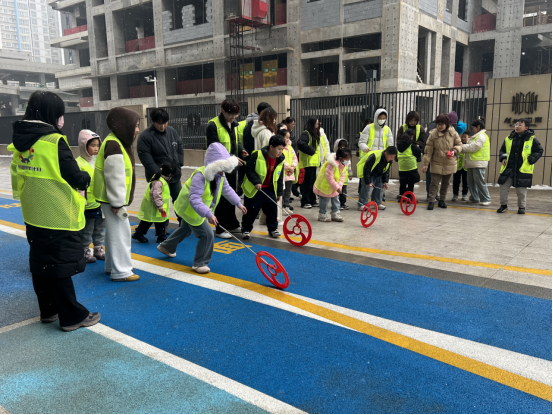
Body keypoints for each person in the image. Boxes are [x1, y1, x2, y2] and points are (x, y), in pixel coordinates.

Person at [9, 91, 100, 332]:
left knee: (40, 262)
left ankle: (48, 310)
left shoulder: (20, 141)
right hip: (57, 212)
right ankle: (72, 316)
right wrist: (86, 177)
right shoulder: (53, 141)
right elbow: (75, 177)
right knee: (60, 266)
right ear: (52, 114)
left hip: (33, 212)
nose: (61, 119)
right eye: (60, 113)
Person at [157, 143, 246, 274]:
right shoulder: (200, 176)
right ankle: (200, 263)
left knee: (185, 229)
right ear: (213, 165)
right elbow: (194, 199)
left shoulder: (219, 175)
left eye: (225, 167)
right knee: (207, 234)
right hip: (191, 209)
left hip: (196, 209)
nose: (223, 171)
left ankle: (166, 247)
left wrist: (238, 203)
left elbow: (226, 189)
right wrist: (209, 214)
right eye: (221, 167)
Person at [94, 107, 141, 282]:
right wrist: (117, 203)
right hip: (113, 200)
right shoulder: (115, 145)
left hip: (110, 199)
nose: (137, 130)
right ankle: (122, 271)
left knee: (114, 232)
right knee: (121, 233)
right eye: (135, 125)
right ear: (125, 125)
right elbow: (114, 176)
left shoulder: (116, 141)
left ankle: (111, 266)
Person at [206, 99, 247, 239]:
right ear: (222, 111)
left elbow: (236, 142)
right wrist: (231, 160)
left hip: (232, 167)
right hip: (219, 167)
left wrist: (241, 150)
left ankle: (232, 224)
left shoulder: (234, 124)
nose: (234, 117)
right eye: (231, 114)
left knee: (230, 195)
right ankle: (221, 227)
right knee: (220, 198)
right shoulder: (213, 125)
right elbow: (214, 149)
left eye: (236, 114)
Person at [241, 135, 286, 240]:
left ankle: (273, 229)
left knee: (272, 210)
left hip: (269, 189)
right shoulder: (257, 155)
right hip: (254, 189)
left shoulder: (280, 159)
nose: (281, 152)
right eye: (279, 149)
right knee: (251, 210)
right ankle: (246, 230)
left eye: (282, 149)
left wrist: (279, 193)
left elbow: (280, 177)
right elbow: (249, 169)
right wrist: (256, 182)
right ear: (271, 147)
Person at [137, 108, 184, 206]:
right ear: (152, 121)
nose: (163, 126)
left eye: (165, 123)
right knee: (160, 205)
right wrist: (158, 173)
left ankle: (181, 217)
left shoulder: (172, 131)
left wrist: (179, 162)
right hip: (158, 180)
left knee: (180, 203)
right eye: (159, 123)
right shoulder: (145, 136)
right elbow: (146, 158)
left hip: (174, 175)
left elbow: (179, 146)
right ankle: (161, 216)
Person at [497, 118, 544, 215]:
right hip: (508, 168)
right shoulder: (509, 138)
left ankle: (522, 207)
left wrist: (531, 160)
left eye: (520, 125)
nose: (517, 126)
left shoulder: (532, 139)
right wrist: (503, 158)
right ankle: (503, 205)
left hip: (522, 169)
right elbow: (503, 150)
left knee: (521, 190)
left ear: (526, 127)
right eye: (516, 124)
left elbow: (539, 150)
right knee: (503, 188)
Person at [75, 129, 105, 264]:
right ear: (83, 146)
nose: (96, 148)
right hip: (87, 205)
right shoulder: (78, 163)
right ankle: (85, 250)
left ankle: (98, 248)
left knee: (100, 229)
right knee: (87, 230)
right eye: (93, 145)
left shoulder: (99, 161)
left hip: (100, 203)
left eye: (98, 145)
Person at [422, 114, 463, 210]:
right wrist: (426, 164)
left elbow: (459, 144)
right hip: (436, 161)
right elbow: (428, 150)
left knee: (445, 183)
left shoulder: (453, 133)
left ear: (447, 124)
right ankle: (431, 201)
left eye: (442, 124)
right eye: (438, 124)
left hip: (449, 161)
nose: (440, 126)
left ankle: (442, 200)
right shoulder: (433, 134)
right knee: (434, 183)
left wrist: (454, 151)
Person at [357, 108, 394, 209]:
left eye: (384, 118)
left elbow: (390, 145)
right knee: (366, 183)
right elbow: (361, 142)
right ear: (376, 117)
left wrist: (389, 155)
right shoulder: (369, 128)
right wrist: (365, 148)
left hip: (382, 159)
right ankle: (363, 203)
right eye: (380, 118)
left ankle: (377, 202)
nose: (382, 120)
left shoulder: (387, 129)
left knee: (379, 183)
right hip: (370, 158)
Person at [134, 161, 178, 244]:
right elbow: (156, 195)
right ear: (169, 174)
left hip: (159, 207)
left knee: (160, 221)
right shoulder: (158, 182)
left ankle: (161, 236)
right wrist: (160, 206)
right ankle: (139, 234)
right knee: (148, 222)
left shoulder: (161, 179)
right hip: (155, 207)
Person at [314, 148, 352, 222]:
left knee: (336, 200)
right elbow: (330, 178)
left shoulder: (344, 165)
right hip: (325, 185)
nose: (348, 161)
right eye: (346, 159)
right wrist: (337, 187)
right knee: (324, 201)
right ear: (340, 158)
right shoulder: (331, 164)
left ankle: (335, 213)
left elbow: (342, 177)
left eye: (349, 159)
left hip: (334, 186)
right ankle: (322, 214)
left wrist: (339, 186)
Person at [461, 118, 493, 206]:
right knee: (471, 182)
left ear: (478, 127)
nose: (472, 130)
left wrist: (461, 147)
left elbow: (474, 147)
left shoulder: (482, 136)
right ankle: (474, 197)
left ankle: (486, 198)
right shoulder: (476, 136)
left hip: (479, 162)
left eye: (473, 128)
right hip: (472, 162)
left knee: (479, 181)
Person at [297, 116, 322, 209]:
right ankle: (305, 201)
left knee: (312, 183)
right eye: (316, 123)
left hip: (313, 162)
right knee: (307, 183)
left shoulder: (315, 133)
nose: (317, 125)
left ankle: (312, 200)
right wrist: (311, 151)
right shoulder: (306, 133)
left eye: (318, 123)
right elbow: (300, 143)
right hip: (308, 163)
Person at [397, 129, 422, 199]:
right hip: (411, 167)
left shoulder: (399, 145)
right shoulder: (412, 145)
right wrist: (418, 147)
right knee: (411, 183)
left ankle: (401, 197)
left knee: (402, 183)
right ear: (412, 136)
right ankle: (409, 197)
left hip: (402, 167)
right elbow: (418, 153)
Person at [280, 128, 298, 212]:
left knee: (288, 191)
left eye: (289, 138)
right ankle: (282, 206)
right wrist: (288, 167)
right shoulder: (280, 148)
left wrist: (293, 167)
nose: (288, 139)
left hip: (290, 174)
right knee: (282, 191)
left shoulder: (290, 147)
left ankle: (286, 205)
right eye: (286, 137)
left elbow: (295, 158)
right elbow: (281, 160)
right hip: (283, 173)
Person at [333, 138, 352, 210]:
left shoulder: (347, 157)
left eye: (344, 146)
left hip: (344, 178)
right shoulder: (335, 157)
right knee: (337, 192)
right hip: (337, 178)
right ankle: (337, 204)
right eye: (341, 146)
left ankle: (342, 203)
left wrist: (350, 174)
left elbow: (349, 166)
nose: (343, 148)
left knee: (344, 191)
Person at [452, 131, 470, 202]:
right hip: (457, 166)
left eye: (465, 137)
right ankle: (455, 194)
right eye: (462, 136)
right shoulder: (457, 145)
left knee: (465, 182)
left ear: (468, 137)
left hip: (466, 167)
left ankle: (464, 194)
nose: (463, 138)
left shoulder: (470, 145)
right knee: (456, 181)